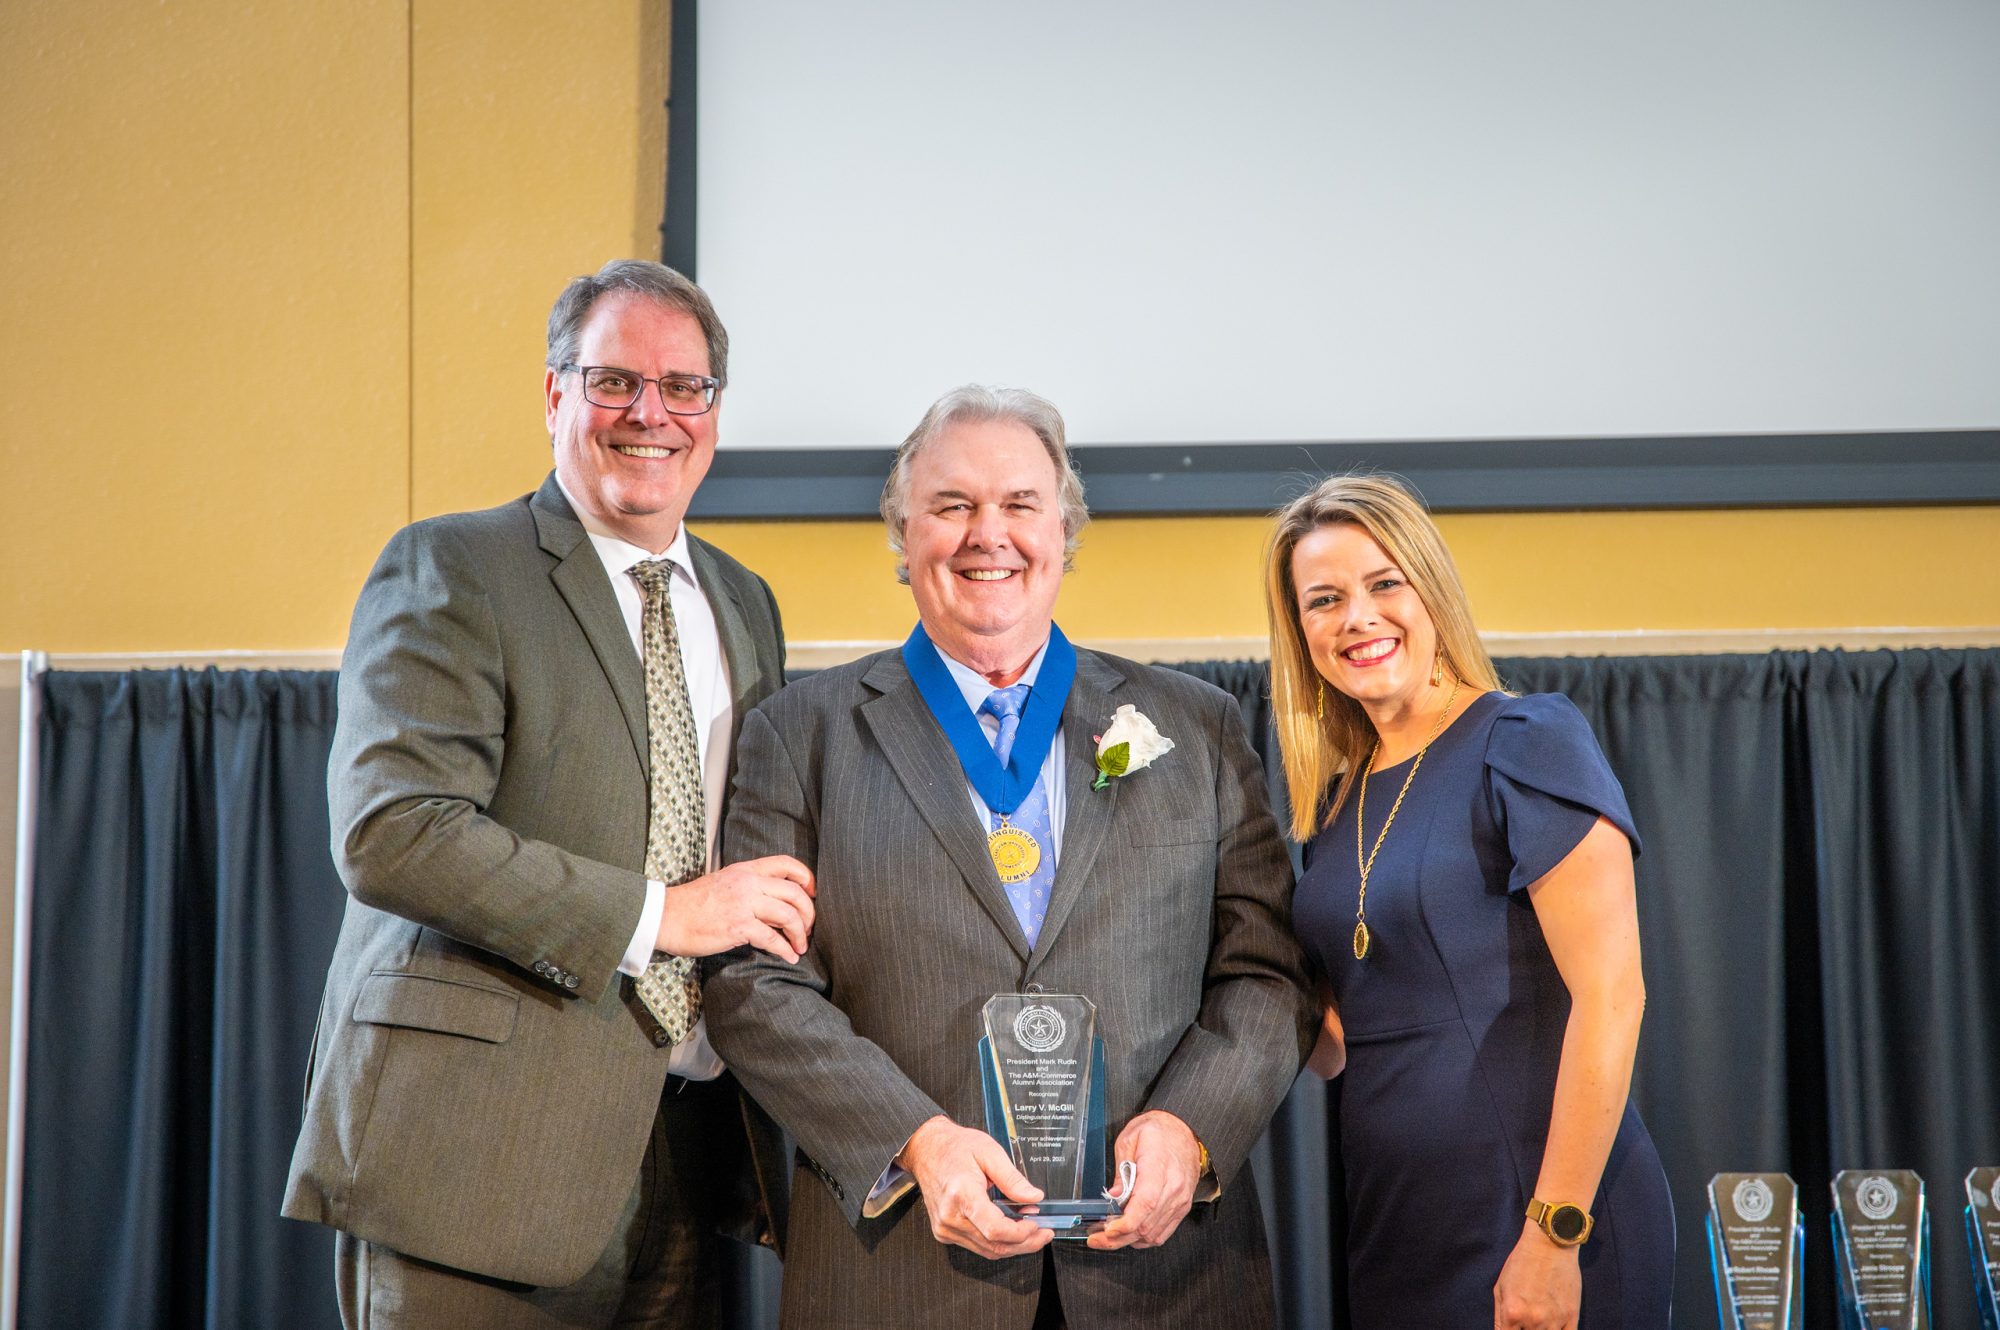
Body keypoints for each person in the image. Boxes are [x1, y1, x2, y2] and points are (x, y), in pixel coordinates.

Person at [702, 385, 1316, 1328]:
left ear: (1064, 534)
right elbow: (753, 985)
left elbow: (1267, 972)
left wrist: (1193, 1130)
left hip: (1164, 1273)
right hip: (905, 1270)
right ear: (903, 542)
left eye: (1020, 505)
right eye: (952, 506)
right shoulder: (799, 735)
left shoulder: (1194, 726)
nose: (989, 534)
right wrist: (915, 1143)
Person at [283, 260, 815, 1329]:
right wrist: (665, 914)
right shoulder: (452, 567)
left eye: (684, 387)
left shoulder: (744, 600)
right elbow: (393, 831)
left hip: (681, 1148)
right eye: (614, 380)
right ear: (553, 394)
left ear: (714, 410)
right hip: (472, 1166)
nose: (650, 414)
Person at [1265, 473, 1675, 1330]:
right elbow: (1339, 1043)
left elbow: (1613, 999)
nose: (1358, 619)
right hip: (1398, 1226)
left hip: (1540, 1218)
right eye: (1325, 600)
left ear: (1432, 589)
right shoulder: (1337, 806)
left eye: (1385, 584)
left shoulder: (1526, 741)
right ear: (1299, 631)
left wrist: (1554, 1236)